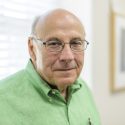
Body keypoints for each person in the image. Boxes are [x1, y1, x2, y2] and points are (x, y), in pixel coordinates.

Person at [0, 8, 101, 125]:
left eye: (75, 43)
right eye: (54, 44)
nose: (68, 57)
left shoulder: (83, 88)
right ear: (32, 48)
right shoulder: (3, 100)